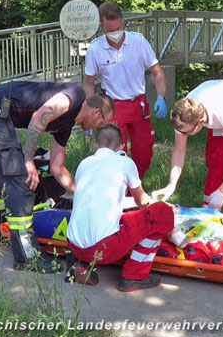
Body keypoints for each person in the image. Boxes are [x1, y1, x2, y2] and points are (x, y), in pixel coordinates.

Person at [0, 81, 115, 273]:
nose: (99, 129)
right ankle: (27, 258)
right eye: (102, 124)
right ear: (97, 112)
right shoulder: (75, 96)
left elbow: (57, 167)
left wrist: (82, 193)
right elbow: (40, 116)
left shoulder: (66, 125)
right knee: (21, 182)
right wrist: (28, 159)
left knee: (4, 176)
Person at [67, 124, 192, 292]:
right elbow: (142, 200)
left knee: (128, 218)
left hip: (75, 246)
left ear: (96, 145)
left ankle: (82, 264)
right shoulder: (125, 162)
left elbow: (112, 202)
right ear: (122, 146)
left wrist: (141, 204)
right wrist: (161, 206)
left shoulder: (84, 163)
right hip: (104, 248)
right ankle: (135, 276)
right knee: (161, 214)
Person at [152, 79, 223, 224]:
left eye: (188, 133)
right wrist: (171, 184)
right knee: (216, 160)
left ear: (200, 123)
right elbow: (179, 151)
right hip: (217, 111)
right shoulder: (183, 114)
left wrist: (222, 193)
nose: (184, 136)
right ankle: (208, 215)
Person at [83, 1, 168, 180]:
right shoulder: (95, 49)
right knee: (112, 152)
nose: (115, 33)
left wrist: (161, 97)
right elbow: (89, 82)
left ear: (123, 21)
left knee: (144, 151)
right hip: (111, 106)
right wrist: (89, 112)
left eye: (118, 27)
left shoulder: (138, 41)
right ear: (102, 27)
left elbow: (157, 72)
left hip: (138, 103)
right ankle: (116, 187)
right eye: (110, 30)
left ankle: (135, 185)